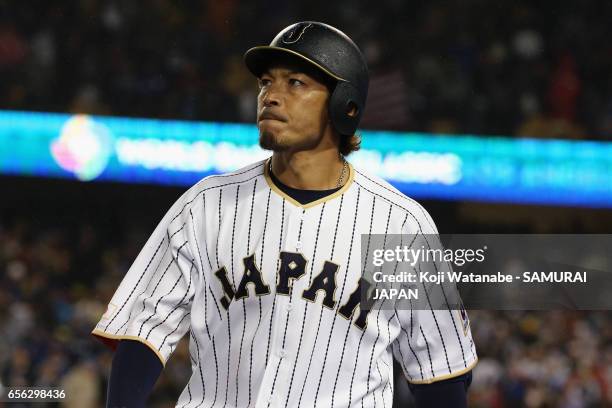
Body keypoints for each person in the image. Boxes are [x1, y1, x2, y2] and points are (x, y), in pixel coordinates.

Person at [92, 21, 477, 407]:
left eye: (295, 83)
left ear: (346, 105)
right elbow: (142, 334)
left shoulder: (401, 224)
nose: (270, 96)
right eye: (265, 82)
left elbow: (440, 372)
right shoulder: (206, 204)